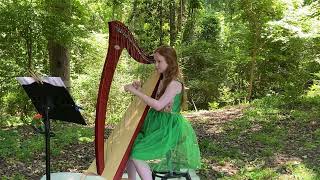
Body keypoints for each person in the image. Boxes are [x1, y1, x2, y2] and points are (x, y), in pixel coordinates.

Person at [124, 45, 201, 180]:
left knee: (137, 153)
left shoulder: (174, 84)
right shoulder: (161, 80)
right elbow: (153, 100)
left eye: (159, 61)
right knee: (130, 146)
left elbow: (158, 105)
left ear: (170, 62)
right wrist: (140, 89)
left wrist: (135, 92)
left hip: (167, 127)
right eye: (155, 61)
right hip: (155, 122)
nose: (156, 65)